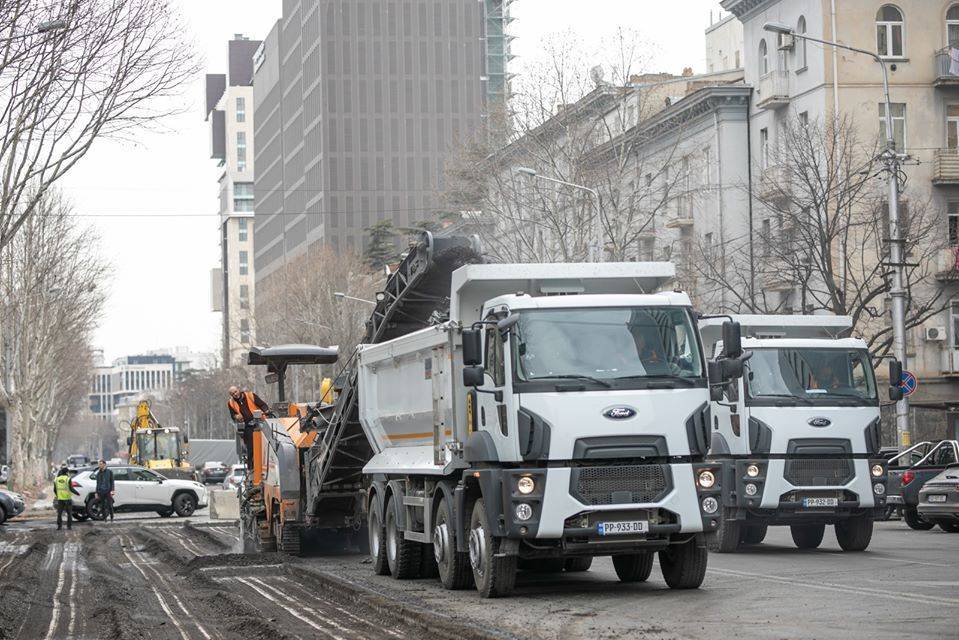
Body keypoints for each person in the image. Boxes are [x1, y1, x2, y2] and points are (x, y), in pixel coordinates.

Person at [227, 386, 271, 470]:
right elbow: (233, 415)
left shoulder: (250, 395)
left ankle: (266, 463)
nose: (235, 394)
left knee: (266, 444)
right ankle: (251, 468)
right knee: (251, 446)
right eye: (232, 394)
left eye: (235, 392)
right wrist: (236, 417)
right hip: (248, 425)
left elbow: (262, 405)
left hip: (261, 422)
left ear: (238, 390)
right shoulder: (231, 403)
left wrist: (266, 411)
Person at [54, 466, 73, 531]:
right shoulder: (68, 479)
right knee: (69, 513)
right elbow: (71, 489)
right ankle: (69, 527)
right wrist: (77, 493)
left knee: (59, 513)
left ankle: (59, 527)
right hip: (67, 499)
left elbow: (54, 489)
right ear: (67, 472)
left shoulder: (56, 479)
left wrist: (58, 495)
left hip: (60, 499)